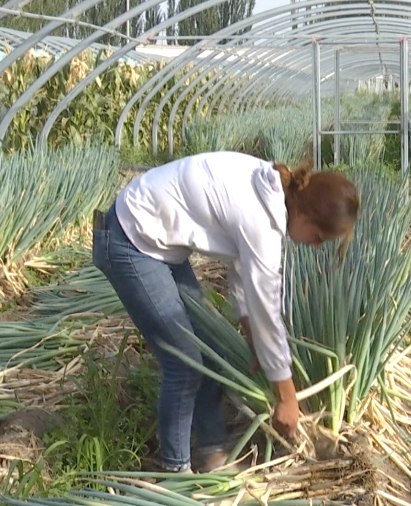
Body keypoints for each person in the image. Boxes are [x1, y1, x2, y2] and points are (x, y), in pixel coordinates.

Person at [90, 151, 360, 474]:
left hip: (156, 242)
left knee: (211, 350)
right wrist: (287, 398)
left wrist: (255, 341)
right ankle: (177, 473)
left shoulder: (271, 192)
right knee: (185, 361)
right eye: (318, 237)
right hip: (130, 239)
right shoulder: (261, 220)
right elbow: (266, 308)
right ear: (302, 212)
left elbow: (244, 285)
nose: (316, 245)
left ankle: (214, 453)